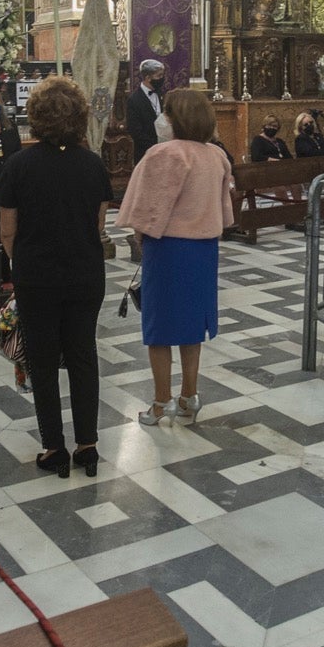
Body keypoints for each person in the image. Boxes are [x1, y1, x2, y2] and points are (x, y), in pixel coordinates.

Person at [0, 76, 113, 479]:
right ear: (80, 116)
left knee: (43, 362)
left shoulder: (17, 166)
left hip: (37, 277)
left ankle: (53, 448)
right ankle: (88, 446)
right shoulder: (93, 163)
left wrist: (25, 261)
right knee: (83, 356)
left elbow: (7, 232)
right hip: (85, 274)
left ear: (36, 116)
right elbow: (97, 224)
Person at [117, 88, 234, 426]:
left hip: (169, 249)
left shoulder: (165, 153)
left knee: (160, 328)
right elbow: (224, 209)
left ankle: (160, 401)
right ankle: (189, 395)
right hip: (204, 249)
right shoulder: (215, 154)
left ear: (175, 117)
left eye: (166, 113)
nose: (162, 119)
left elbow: (151, 209)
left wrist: (140, 234)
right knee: (192, 325)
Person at [125, 59, 166, 164]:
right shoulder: (134, 100)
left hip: (164, 152)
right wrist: (154, 145)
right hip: (145, 153)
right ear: (148, 78)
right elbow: (135, 130)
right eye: (159, 76)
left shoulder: (162, 94)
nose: (162, 79)